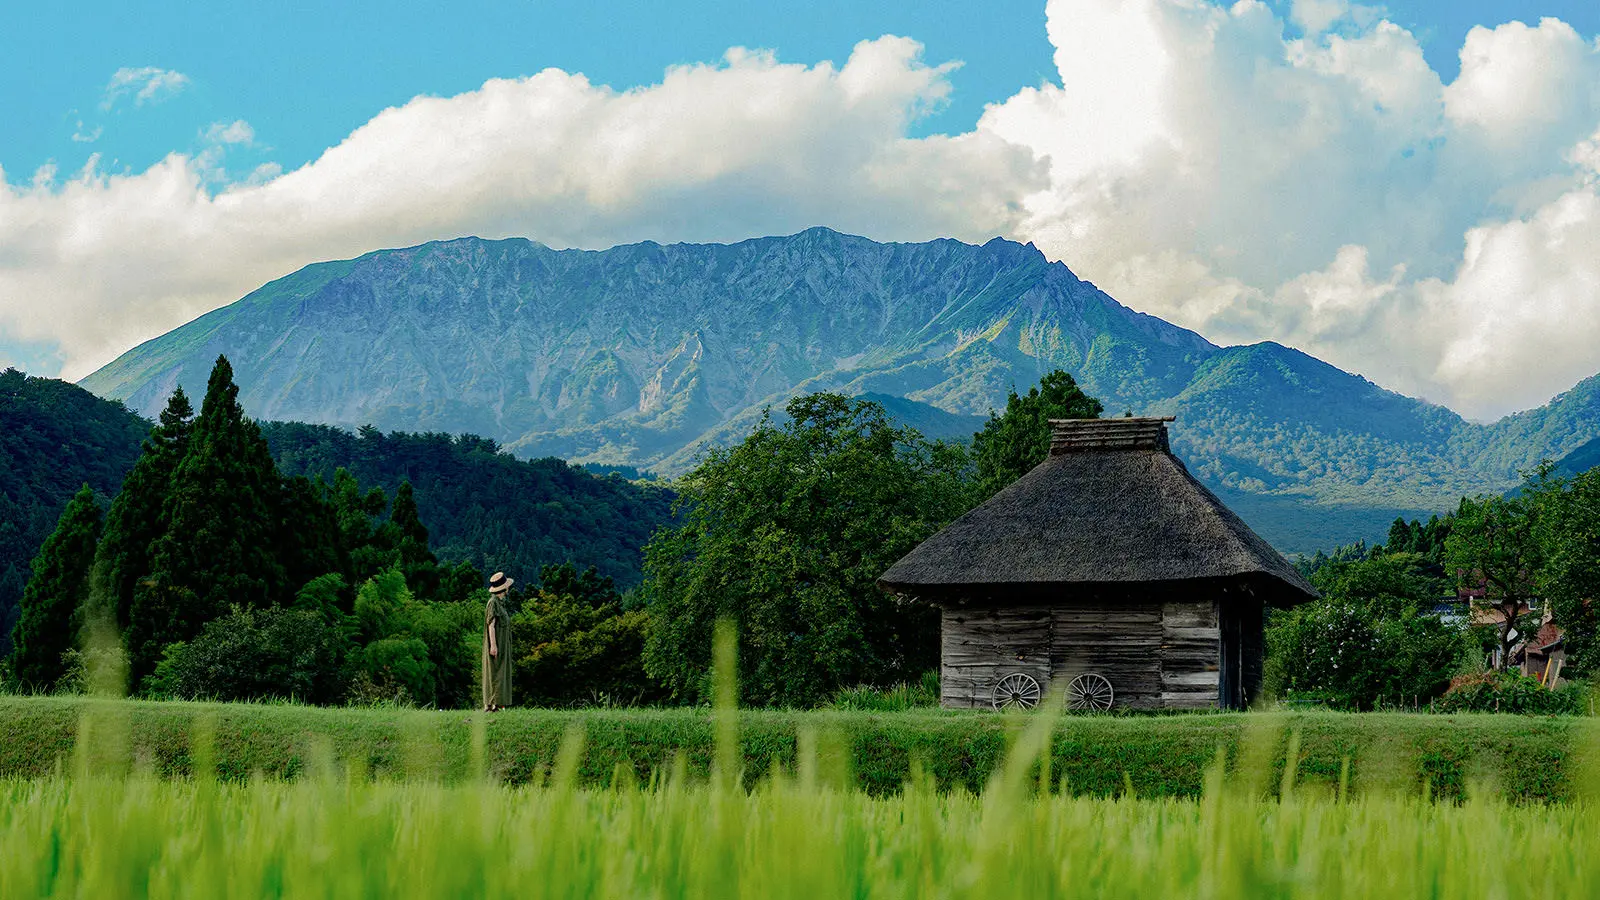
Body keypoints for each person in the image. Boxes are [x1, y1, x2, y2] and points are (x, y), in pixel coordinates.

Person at [483, 571, 514, 711]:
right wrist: (493, 645)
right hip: (497, 643)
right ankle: (492, 703)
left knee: (501, 672)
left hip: (502, 642)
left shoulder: (500, 603)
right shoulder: (493, 603)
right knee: (495, 672)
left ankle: (498, 702)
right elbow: (491, 625)